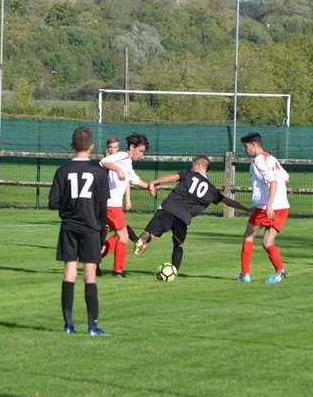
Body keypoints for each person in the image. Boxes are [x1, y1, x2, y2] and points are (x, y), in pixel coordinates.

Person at [134, 156, 251, 275]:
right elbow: (227, 201)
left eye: (192, 165)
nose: (191, 167)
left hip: (169, 208)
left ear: (198, 165)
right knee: (179, 244)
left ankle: (145, 239)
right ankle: (174, 270)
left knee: (151, 232)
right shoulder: (211, 190)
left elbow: (173, 177)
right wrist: (246, 208)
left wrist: (154, 182)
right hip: (183, 218)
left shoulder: (188, 174)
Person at [49, 127, 110, 336]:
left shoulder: (62, 171)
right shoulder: (100, 173)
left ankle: (68, 325)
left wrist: (68, 207)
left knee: (69, 271)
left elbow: (53, 203)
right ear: (91, 146)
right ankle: (92, 326)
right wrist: (102, 234)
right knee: (90, 274)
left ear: (72, 145)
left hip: (69, 226)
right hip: (91, 227)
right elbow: (102, 208)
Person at [237, 133, 290, 284]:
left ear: (254, 145)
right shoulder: (271, 158)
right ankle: (280, 272)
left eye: (246, 146)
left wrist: (269, 204)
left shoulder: (258, 160)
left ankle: (245, 275)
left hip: (266, 207)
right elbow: (286, 178)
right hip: (283, 207)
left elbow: (273, 182)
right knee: (267, 242)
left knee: (248, 236)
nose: (245, 150)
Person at [99, 133, 150, 277]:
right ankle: (118, 271)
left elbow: (136, 180)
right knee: (123, 236)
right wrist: (118, 170)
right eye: (140, 151)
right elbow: (103, 162)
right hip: (111, 204)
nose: (141, 155)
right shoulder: (122, 155)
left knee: (120, 236)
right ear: (132, 147)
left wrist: (150, 186)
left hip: (111, 205)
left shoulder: (127, 162)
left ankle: (94, 258)